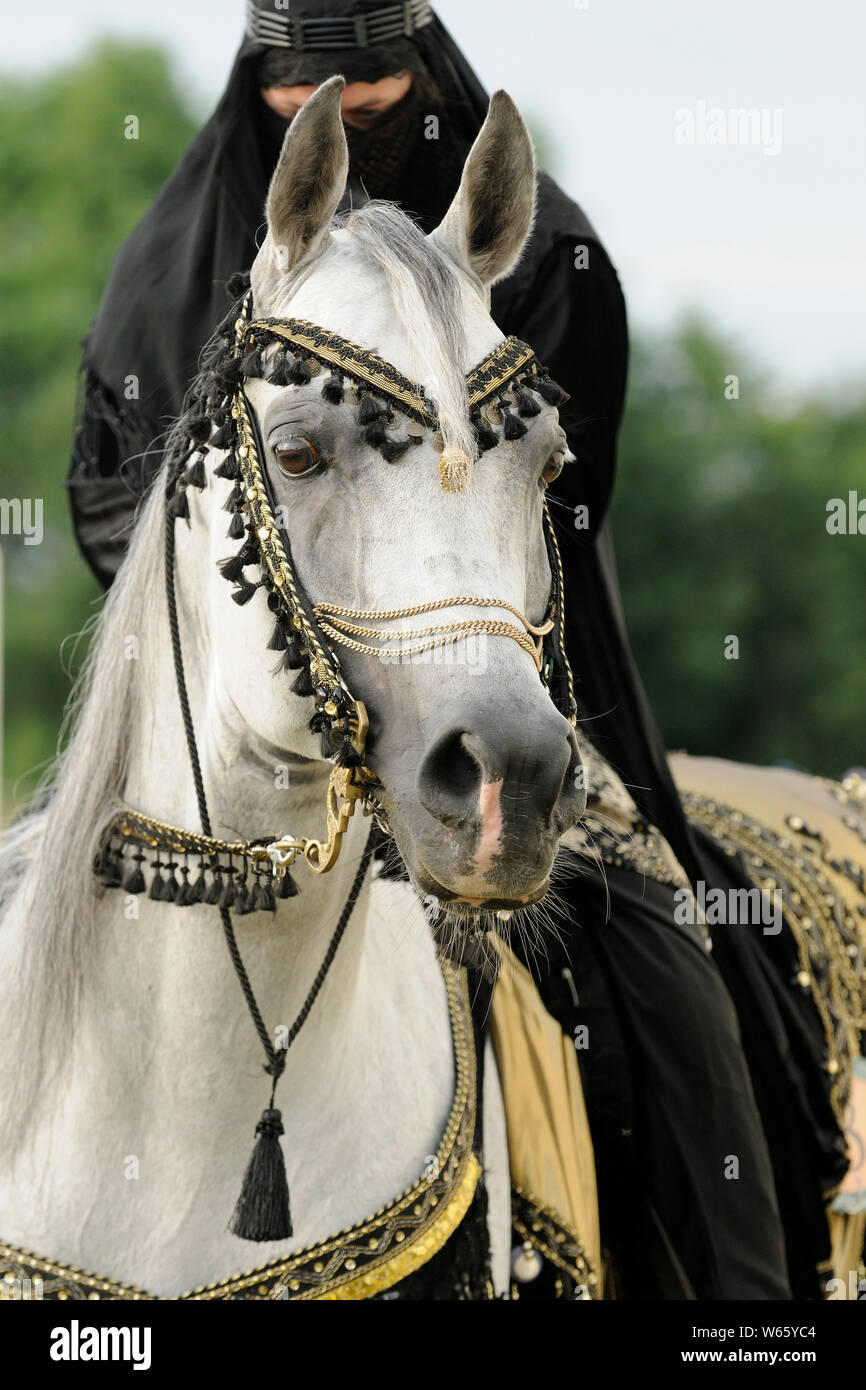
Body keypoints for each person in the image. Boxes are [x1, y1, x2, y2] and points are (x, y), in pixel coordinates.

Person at [68, 1, 844, 1298]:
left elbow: (558, 493)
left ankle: (742, 1311)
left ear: (427, 64)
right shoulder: (163, 268)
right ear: (258, 82)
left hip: (488, 661)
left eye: (379, 74)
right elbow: (107, 501)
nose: (355, 106)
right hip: (227, 702)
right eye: (310, 85)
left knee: (663, 968)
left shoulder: (551, 255)